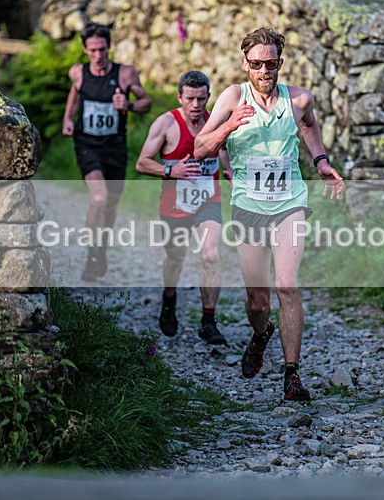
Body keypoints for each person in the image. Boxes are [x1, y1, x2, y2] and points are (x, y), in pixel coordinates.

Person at [194, 27, 345, 402]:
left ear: (280, 63)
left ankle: (291, 375)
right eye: (257, 64)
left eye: (272, 63)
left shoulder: (297, 100)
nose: (265, 71)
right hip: (248, 207)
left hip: (290, 202)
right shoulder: (232, 97)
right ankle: (262, 334)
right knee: (258, 300)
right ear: (245, 64)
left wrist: (321, 160)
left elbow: (309, 125)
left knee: (287, 286)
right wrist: (229, 125)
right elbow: (199, 149)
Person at [136, 71, 233, 345]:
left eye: (201, 98)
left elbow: (223, 150)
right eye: (190, 98)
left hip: (208, 201)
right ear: (180, 96)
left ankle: (208, 321)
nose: (196, 105)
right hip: (174, 205)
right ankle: (169, 297)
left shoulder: (216, 121)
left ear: (208, 97)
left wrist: (228, 171)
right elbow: (142, 163)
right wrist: (171, 169)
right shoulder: (166, 123)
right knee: (175, 259)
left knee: (211, 255)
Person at [62, 23, 151, 282]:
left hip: (115, 146)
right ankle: (92, 254)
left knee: (111, 203)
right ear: (85, 50)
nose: (98, 55)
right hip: (87, 144)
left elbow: (147, 103)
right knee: (99, 198)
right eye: (92, 50)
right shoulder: (78, 73)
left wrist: (129, 104)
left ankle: (101, 247)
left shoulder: (125, 74)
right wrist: (68, 119)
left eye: (102, 49)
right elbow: (75, 95)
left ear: (108, 47)